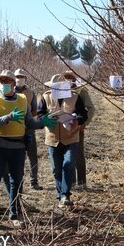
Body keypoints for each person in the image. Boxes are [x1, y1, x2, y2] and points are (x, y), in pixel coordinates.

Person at [0, 70, 56, 230]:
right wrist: (7, 118)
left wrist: (43, 122)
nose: (4, 84)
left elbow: (29, 122)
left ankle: (15, 214)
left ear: (14, 84)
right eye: (1, 81)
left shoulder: (22, 100)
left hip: (18, 146)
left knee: (17, 181)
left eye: (7, 81)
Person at [37, 74, 88, 208]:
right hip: (52, 138)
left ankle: (66, 194)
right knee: (56, 169)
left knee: (69, 163)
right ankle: (61, 195)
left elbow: (84, 113)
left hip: (71, 136)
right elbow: (40, 114)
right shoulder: (45, 96)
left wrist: (75, 118)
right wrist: (45, 119)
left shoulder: (75, 96)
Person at [62, 71, 95, 189]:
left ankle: (82, 182)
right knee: (67, 155)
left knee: (78, 154)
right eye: (66, 78)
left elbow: (91, 108)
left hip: (77, 126)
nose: (68, 80)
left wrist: (84, 123)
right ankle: (71, 182)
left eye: (70, 77)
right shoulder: (60, 91)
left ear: (74, 79)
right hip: (63, 128)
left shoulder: (81, 91)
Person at [14, 68, 42, 190]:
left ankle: (33, 180)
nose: (19, 79)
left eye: (21, 77)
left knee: (32, 154)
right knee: (17, 155)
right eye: (17, 76)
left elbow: (35, 109)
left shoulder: (30, 92)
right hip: (14, 128)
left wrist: (28, 118)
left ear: (25, 78)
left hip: (29, 127)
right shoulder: (9, 92)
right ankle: (17, 181)